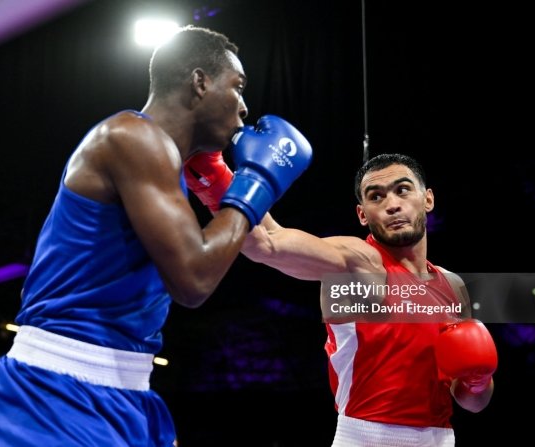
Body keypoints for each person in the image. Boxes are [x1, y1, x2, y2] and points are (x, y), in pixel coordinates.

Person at [0, 25, 312, 446]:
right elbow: (194, 280)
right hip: (58, 387)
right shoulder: (131, 137)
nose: (245, 107)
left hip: (129, 389)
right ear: (200, 82)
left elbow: (263, 244)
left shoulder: (167, 163)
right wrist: (257, 180)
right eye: (238, 87)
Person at [184, 152, 497, 447]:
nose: (392, 205)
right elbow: (267, 243)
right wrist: (211, 174)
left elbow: (473, 404)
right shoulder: (358, 264)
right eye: (376, 196)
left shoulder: (452, 286)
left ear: (427, 199)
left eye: (402, 190)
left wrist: (478, 381)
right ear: (362, 214)